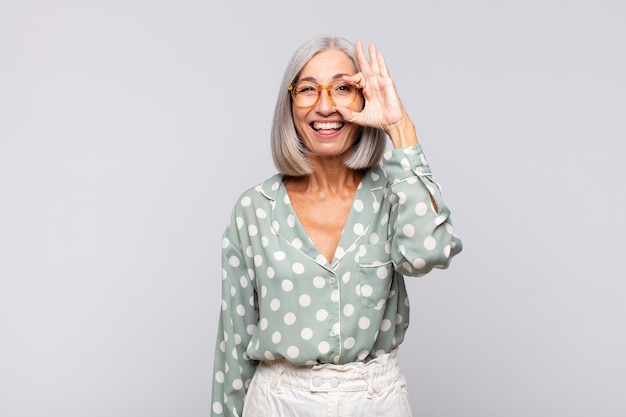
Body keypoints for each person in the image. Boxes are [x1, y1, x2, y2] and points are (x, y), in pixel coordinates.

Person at [210, 35, 463, 417]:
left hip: (375, 400)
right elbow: (234, 336)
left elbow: (428, 254)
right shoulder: (254, 209)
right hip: (277, 402)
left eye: (343, 88)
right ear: (290, 104)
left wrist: (400, 129)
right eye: (308, 89)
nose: (325, 105)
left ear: (363, 99)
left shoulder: (394, 193)